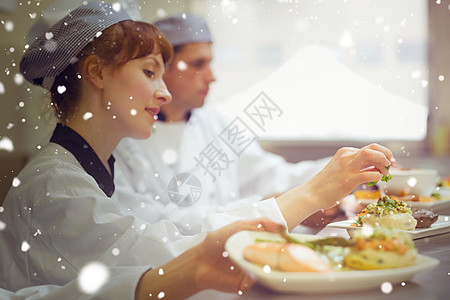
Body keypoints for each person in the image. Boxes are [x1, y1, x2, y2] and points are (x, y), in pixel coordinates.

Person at [0, 2, 395, 298]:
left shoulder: (95, 165)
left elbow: (167, 235)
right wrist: (305, 197)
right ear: (98, 73)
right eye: (151, 71)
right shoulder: (56, 185)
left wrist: (324, 184)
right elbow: (154, 254)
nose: (165, 91)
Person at [114, 13, 340, 235]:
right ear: (162, 69)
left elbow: (272, 175)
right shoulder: (124, 139)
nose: (211, 77)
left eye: (210, 63)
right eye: (198, 64)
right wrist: (266, 209)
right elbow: (154, 223)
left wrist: (343, 169)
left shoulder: (214, 122)